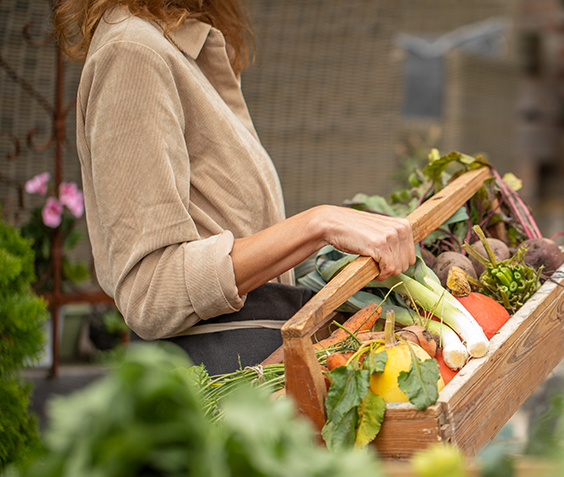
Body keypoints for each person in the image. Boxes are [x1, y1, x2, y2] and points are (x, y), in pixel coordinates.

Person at [53, 0, 416, 374]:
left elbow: (232, 231)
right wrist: (318, 225)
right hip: (218, 388)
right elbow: (150, 292)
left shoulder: (178, 46)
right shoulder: (133, 53)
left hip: (247, 376)